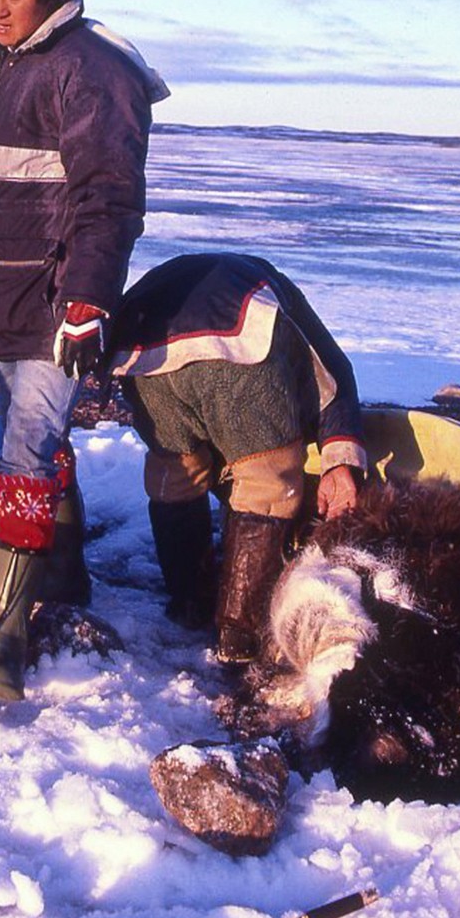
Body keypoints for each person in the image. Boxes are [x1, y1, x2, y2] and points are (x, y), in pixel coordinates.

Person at [0, 0, 169, 701]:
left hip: (50, 300)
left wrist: (86, 300)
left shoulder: (92, 69)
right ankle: (64, 578)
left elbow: (109, 196)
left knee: (24, 454)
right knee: (28, 443)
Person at [107, 253, 367, 663]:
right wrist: (341, 460)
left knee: (175, 471)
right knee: (267, 481)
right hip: (236, 336)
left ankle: (188, 601)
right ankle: (239, 636)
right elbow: (332, 373)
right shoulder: (280, 293)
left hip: (138, 348)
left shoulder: (204, 270)